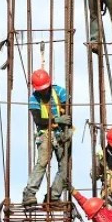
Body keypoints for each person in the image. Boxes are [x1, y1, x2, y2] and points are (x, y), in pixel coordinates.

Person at [23, 68, 72, 205]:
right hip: (45, 133)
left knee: (65, 167)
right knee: (42, 162)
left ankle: (53, 196)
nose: (43, 91)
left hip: (61, 133)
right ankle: (29, 193)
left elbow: (67, 113)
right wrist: (57, 120)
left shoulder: (60, 92)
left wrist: (65, 128)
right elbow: (38, 120)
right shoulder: (34, 98)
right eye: (40, 89)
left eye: (45, 88)